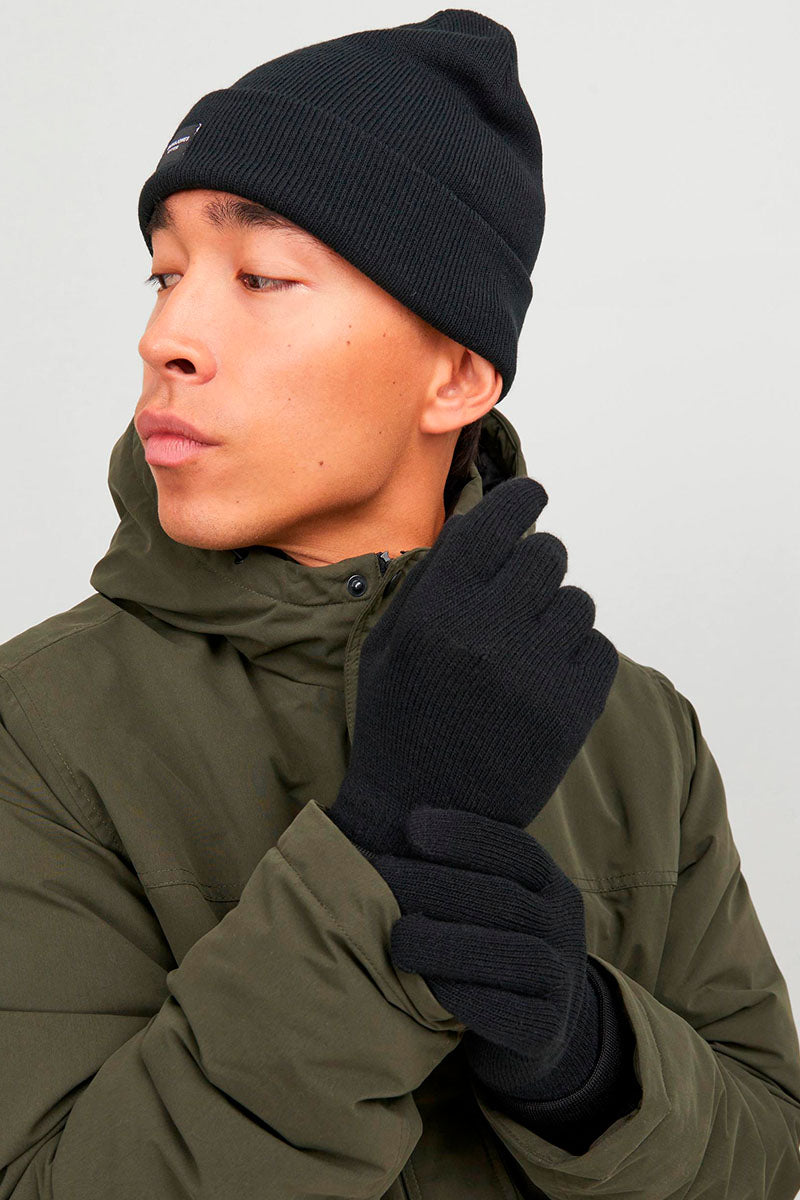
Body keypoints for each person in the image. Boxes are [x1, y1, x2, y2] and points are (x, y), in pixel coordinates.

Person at [1, 9, 799, 1199]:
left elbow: (767, 1149)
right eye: (165, 275)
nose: (165, 335)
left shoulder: (635, 728)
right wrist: (373, 862)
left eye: (259, 277)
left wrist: (588, 1066)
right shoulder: (35, 724)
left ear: (457, 374)